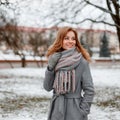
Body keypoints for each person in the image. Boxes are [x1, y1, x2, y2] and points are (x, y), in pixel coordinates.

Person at [43, 26, 94, 120]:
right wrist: (50, 68)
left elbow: (89, 90)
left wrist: (82, 111)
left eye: (73, 39)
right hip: (57, 109)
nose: (71, 41)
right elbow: (47, 87)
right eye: (66, 38)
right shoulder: (55, 60)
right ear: (60, 40)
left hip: (75, 111)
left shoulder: (82, 62)